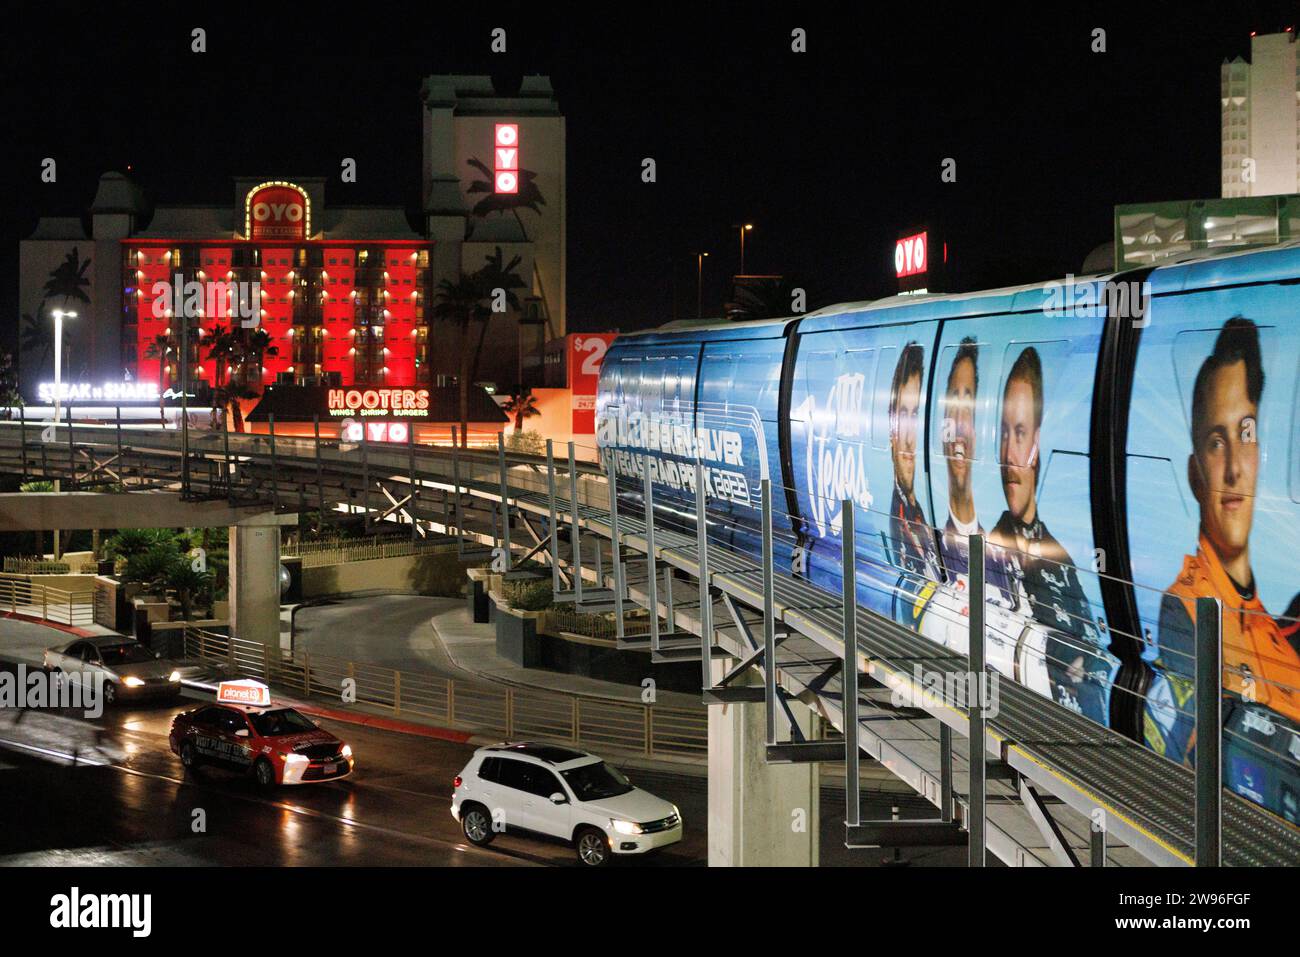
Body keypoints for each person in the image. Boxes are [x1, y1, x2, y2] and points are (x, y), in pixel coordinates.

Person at [1144, 318, 1300, 775]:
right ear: (1196, 474)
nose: (1234, 467)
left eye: (1246, 433)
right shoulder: (1186, 610)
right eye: (1217, 442)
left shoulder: (1279, 619)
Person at [988, 346, 1108, 721]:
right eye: (1004, 433)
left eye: (1020, 433)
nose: (1010, 451)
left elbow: (1094, 657)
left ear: (1038, 444)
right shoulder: (988, 547)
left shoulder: (1061, 558)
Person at [937, 338, 1016, 602]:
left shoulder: (1003, 552)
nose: (959, 423)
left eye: (968, 407)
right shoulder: (928, 537)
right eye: (953, 404)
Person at [887, 342, 940, 586]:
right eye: (903, 415)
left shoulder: (918, 513)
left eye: (916, 415)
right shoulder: (896, 525)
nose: (909, 437)